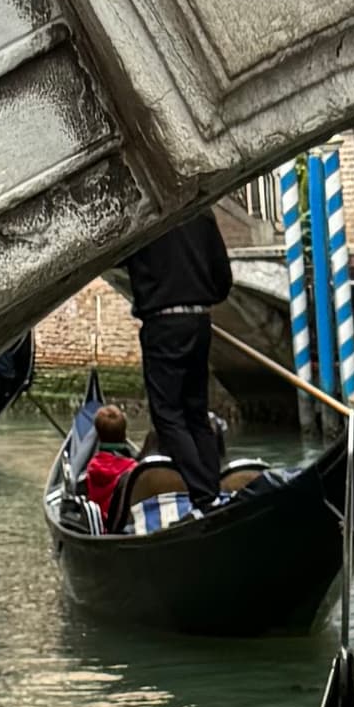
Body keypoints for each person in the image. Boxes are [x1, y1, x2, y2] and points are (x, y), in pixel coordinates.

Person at [123, 204, 234, 498]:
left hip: (162, 325)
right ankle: (213, 488)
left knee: (168, 414)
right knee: (196, 412)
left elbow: (120, 258)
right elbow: (223, 279)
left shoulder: (142, 217)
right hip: (199, 321)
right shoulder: (202, 212)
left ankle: (203, 494)